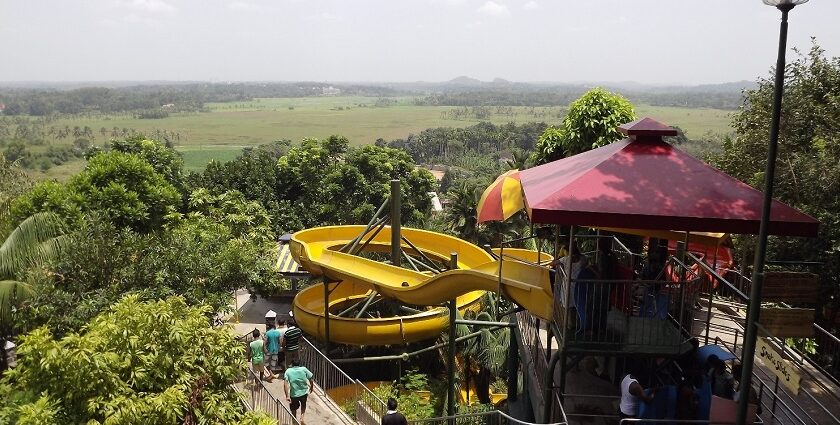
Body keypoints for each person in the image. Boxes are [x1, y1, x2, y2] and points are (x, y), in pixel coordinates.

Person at [284, 359, 314, 424]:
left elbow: (285, 384)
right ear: (299, 364)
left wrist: (287, 396)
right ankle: (302, 417)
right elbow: (311, 379)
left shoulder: (288, 371)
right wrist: (311, 387)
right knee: (303, 404)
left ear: (292, 364)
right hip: (304, 392)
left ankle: (294, 420)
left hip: (294, 394)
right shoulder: (304, 369)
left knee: (293, 408)